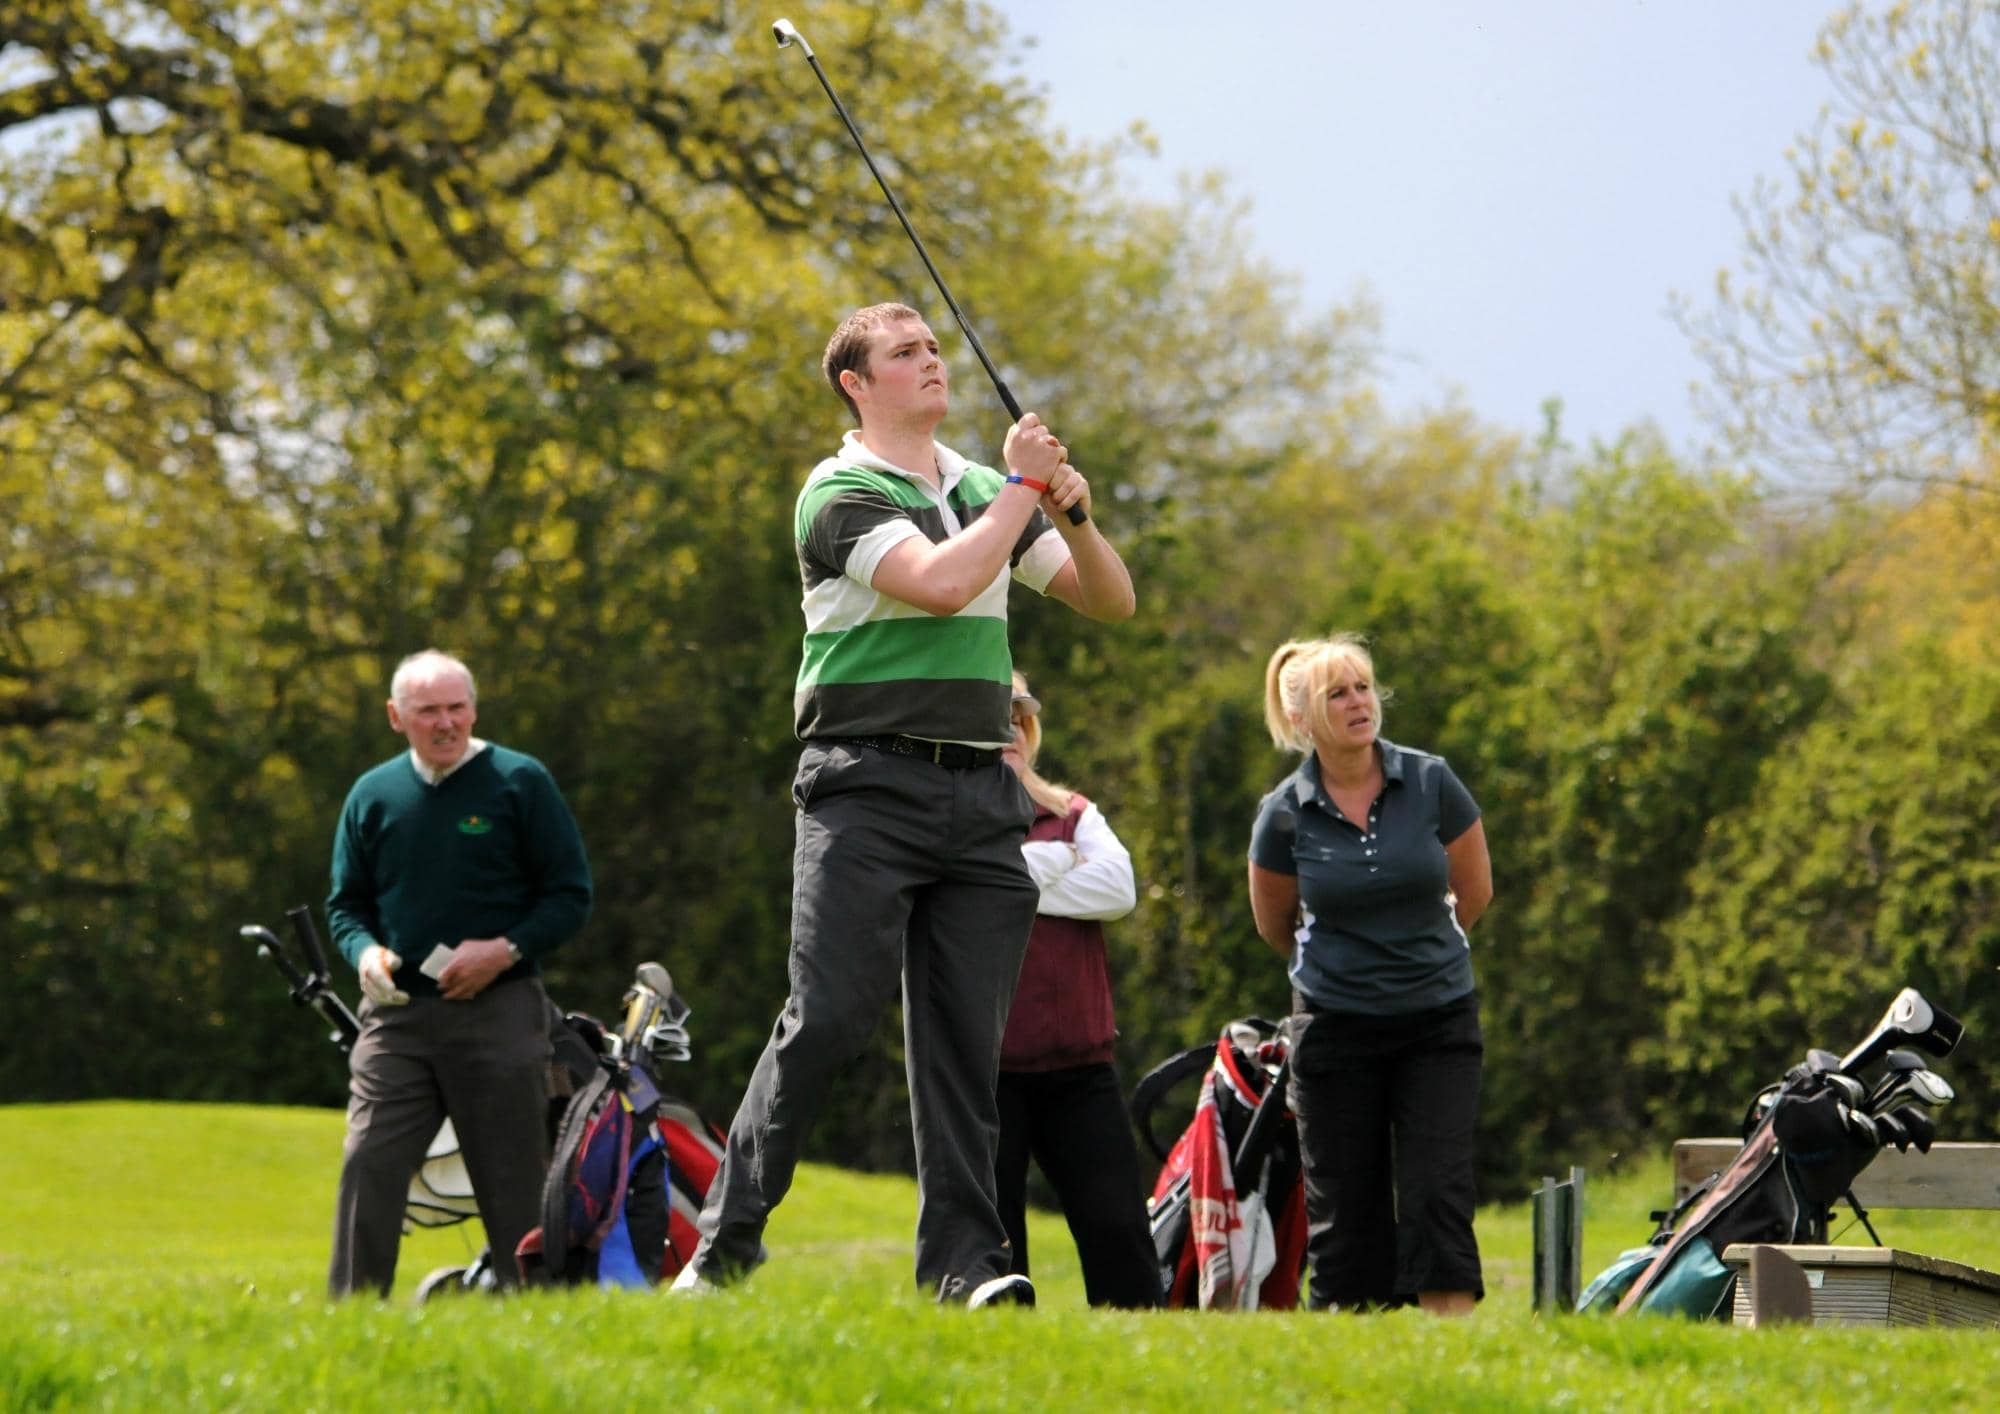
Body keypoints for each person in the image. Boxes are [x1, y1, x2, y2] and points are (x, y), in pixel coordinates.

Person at [676, 302, 1135, 1307]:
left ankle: (962, 1267)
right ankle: (723, 1249)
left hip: (980, 789)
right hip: (864, 784)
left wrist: (1074, 513)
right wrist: (1020, 489)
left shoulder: (977, 483)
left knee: (966, 1047)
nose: (930, 363)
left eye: (933, 348)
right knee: (828, 1018)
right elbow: (939, 580)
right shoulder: (836, 491)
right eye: (903, 353)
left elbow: (1109, 600)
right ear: (855, 382)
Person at [325, 649, 592, 1298]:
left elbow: (569, 895)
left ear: (474, 709)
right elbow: (345, 906)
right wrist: (363, 953)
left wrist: (504, 949)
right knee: (368, 1160)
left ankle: (535, 1314)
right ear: (396, 716)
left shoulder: (519, 781)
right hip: (396, 1019)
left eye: (457, 708)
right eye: (427, 711)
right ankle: (352, 1320)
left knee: (512, 1182)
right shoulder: (372, 794)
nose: (445, 723)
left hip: (500, 1011)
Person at [1245, 634, 1493, 1315]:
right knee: (1345, 1211)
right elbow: (1275, 924)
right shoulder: (1284, 812)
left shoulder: (1432, 780)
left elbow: (1474, 890)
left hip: (1437, 1021)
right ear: (1302, 721)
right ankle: (1358, 1363)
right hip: (1333, 1030)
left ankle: (1456, 1359)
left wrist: (1415, 953)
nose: (1360, 703)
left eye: (1362, 687)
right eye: (1338, 693)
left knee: (1437, 1193)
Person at [993, 672, 1161, 1309]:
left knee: (1119, 1232)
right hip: (983, 1074)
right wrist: (1054, 866)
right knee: (998, 1253)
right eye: (991, 715)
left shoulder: (1072, 813)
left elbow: (1116, 891)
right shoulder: (941, 822)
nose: (1006, 728)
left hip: (1080, 1066)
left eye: (1016, 716)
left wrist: (1011, 879)